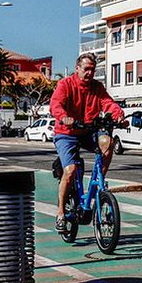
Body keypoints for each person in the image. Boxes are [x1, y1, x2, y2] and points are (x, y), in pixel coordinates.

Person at [49, 52, 124, 233]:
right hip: (67, 133)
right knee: (71, 170)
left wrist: (118, 114)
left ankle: (99, 182)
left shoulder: (97, 87)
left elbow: (107, 103)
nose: (90, 73)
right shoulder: (65, 85)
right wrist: (64, 117)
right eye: (86, 69)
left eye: (92, 69)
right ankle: (60, 213)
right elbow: (55, 104)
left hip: (88, 131)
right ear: (77, 69)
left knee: (107, 142)